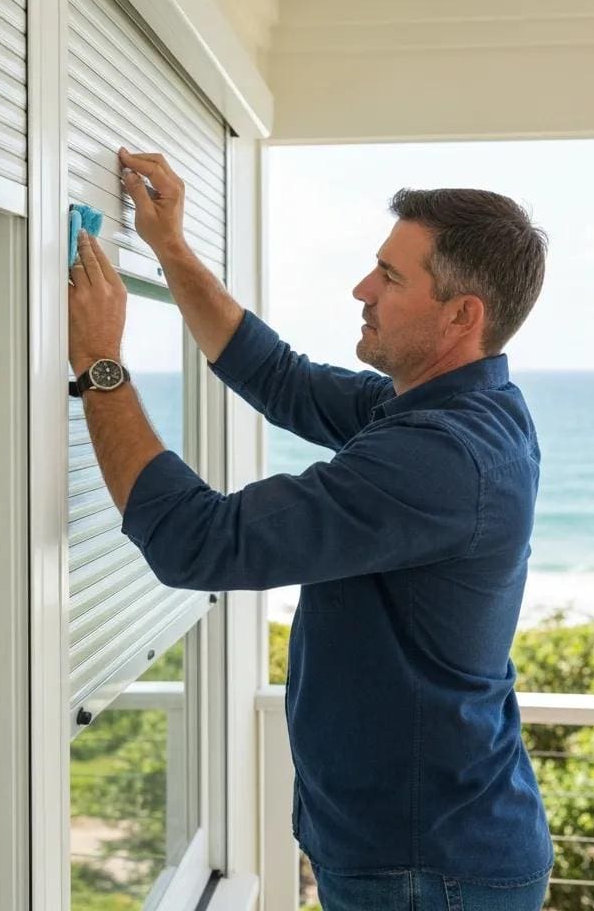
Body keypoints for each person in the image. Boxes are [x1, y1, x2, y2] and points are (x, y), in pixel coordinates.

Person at [67, 145, 553, 911]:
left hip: (429, 872)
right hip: (413, 853)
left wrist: (99, 363)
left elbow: (199, 542)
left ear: (463, 315)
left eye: (391, 278)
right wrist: (169, 249)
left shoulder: (442, 459)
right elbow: (278, 376)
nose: (362, 289)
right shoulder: (447, 409)